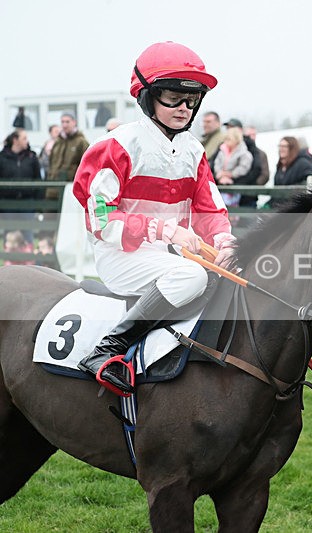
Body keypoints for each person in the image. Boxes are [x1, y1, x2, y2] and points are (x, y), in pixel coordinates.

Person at [72, 41, 236, 396]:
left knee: (226, 279)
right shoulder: (116, 145)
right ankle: (107, 350)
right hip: (121, 256)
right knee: (193, 276)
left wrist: (225, 241)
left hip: (167, 257)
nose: (184, 108)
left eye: (191, 100)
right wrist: (165, 230)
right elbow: (100, 220)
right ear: (148, 97)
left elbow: (210, 210)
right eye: (173, 98)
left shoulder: (194, 150)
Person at [0, 129, 41, 243]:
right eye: (24, 138)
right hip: (8, 203)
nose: (27, 141)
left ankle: (29, 254)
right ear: (15, 140)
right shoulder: (2, 157)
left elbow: (38, 179)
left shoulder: (32, 157)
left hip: (27, 202)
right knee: (9, 235)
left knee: (28, 234)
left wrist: (37, 202)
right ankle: (9, 254)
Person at [46, 111, 89, 199]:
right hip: (53, 188)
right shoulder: (58, 142)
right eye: (62, 122)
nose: (64, 125)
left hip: (70, 189)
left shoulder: (81, 142)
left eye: (67, 122)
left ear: (74, 122)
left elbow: (87, 165)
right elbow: (51, 163)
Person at [213, 127, 254, 208]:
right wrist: (220, 174)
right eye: (226, 139)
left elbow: (243, 167)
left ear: (236, 139)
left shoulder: (244, 153)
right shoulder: (222, 150)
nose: (226, 141)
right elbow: (217, 163)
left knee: (232, 209)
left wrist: (230, 174)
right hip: (221, 183)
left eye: (229, 139)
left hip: (236, 184)